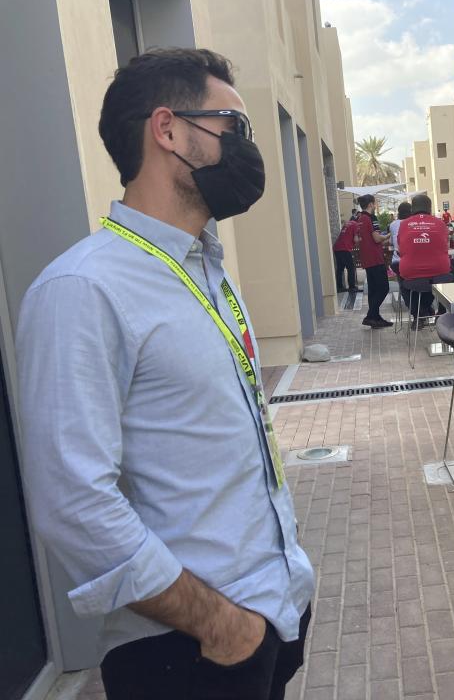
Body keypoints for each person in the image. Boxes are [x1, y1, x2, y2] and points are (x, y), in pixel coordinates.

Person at [15, 48, 315, 700]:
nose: (247, 149)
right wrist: (221, 627)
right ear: (169, 129)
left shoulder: (204, 271)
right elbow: (73, 502)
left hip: (269, 613)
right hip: (187, 653)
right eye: (233, 127)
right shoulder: (81, 289)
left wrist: (276, 600)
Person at [398, 193, 451, 327]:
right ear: (429, 208)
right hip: (440, 274)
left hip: (411, 274)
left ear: (412, 209)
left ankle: (418, 315)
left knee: (406, 282)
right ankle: (442, 313)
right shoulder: (440, 223)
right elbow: (446, 245)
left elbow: (400, 248)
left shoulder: (404, 224)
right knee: (446, 278)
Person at [355, 193, 392, 327]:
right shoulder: (371, 218)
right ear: (370, 204)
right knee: (383, 288)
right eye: (375, 203)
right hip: (376, 259)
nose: (376, 206)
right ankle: (370, 315)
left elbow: (360, 240)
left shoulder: (359, 219)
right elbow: (377, 238)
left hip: (366, 258)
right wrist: (389, 234)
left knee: (373, 290)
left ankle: (375, 319)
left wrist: (383, 240)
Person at [389, 201, 412, 308]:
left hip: (396, 263)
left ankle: (413, 309)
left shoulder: (393, 224)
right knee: (420, 283)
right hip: (411, 262)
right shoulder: (412, 223)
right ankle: (422, 309)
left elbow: (391, 242)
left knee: (404, 285)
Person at [333, 214, 360, 293]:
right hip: (344, 248)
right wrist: (361, 239)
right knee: (350, 267)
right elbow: (355, 239)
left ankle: (339, 287)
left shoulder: (348, 223)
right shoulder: (356, 225)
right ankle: (352, 287)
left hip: (337, 247)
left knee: (340, 268)